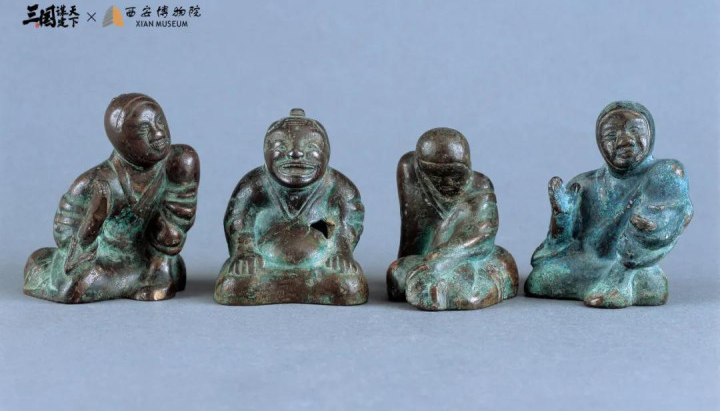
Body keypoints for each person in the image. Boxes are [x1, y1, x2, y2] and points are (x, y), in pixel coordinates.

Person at [24, 93, 199, 303]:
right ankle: (127, 279)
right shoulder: (97, 182)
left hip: (153, 259)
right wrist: (94, 220)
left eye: (160, 122)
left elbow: (179, 216)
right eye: (144, 130)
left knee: (164, 265)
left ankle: (153, 272)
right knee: (70, 288)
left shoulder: (179, 161)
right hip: (106, 261)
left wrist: (162, 252)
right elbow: (65, 231)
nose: (159, 133)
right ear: (122, 141)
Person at [525, 101, 693, 308]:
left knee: (648, 280)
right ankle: (608, 280)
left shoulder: (665, 174)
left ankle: (622, 279)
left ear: (650, 135)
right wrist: (562, 218)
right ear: (599, 143)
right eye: (611, 136)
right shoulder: (583, 184)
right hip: (590, 262)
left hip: (633, 265)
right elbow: (562, 245)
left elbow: (660, 227)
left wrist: (648, 229)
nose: (624, 141)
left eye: (635, 131)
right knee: (541, 277)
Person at [214, 108, 368, 305]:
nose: (296, 154)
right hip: (264, 263)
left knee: (349, 285)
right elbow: (238, 218)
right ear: (265, 152)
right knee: (235, 285)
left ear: (327, 154)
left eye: (311, 146)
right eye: (281, 146)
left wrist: (341, 249)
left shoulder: (337, 187)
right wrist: (245, 251)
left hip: (320, 263)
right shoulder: (254, 185)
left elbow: (351, 218)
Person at [387, 127, 518, 310]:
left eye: (456, 175)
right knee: (397, 273)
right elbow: (413, 235)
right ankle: (432, 286)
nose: (447, 182)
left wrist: (440, 261)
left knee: (467, 280)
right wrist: (419, 262)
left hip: (465, 255)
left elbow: (483, 235)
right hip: (428, 257)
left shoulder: (480, 186)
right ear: (422, 171)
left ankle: (445, 291)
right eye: (436, 175)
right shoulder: (411, 172)